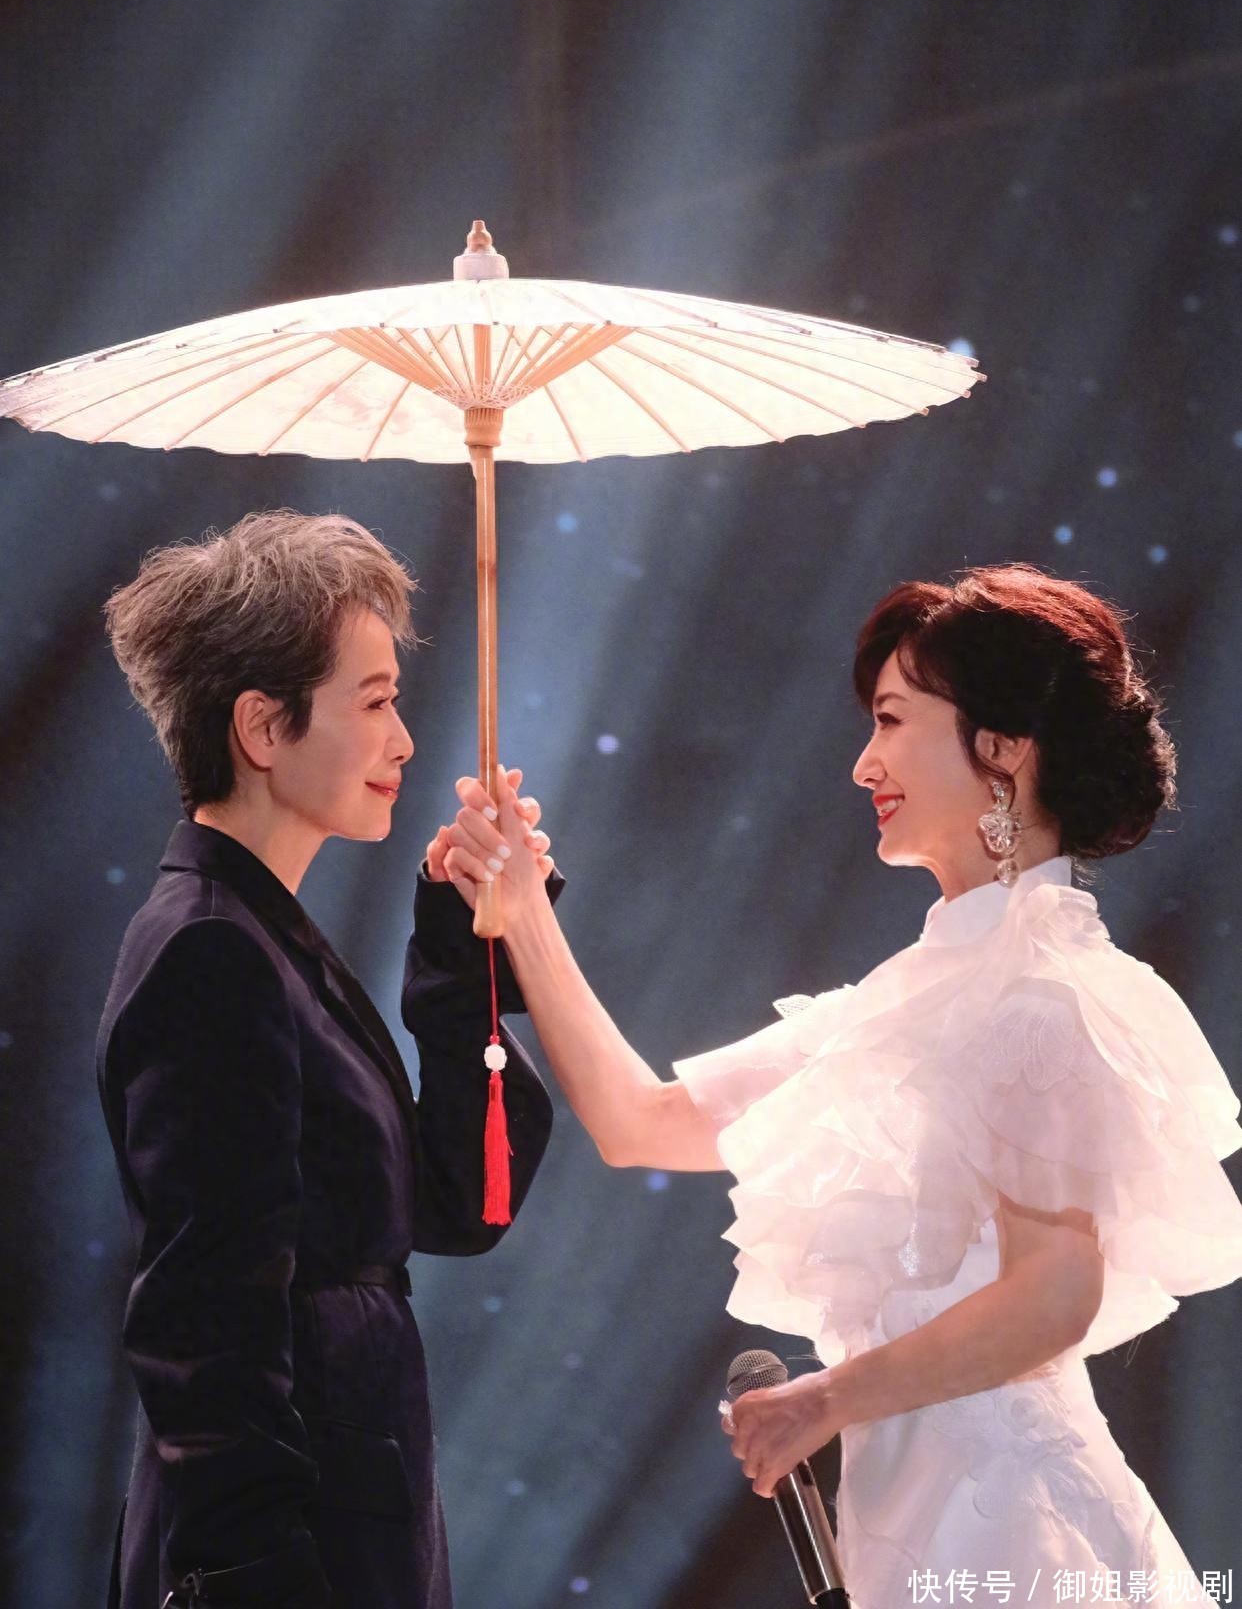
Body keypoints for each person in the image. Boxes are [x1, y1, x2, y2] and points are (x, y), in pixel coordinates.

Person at [434, 565, 1242, 1607]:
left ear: (1003, 747)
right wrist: (524, 911)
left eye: (893, 721)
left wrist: (824, 1400)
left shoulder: (1043, 990)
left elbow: (1053, 1292)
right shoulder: (910, 997)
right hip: (915, 1511)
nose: (864, 764)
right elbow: (642, 1123)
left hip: (1009, 1524)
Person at [96, 509, 558, 1609]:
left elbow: (459, 1203)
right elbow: (204, 1319)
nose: (405, 742)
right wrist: (259, 1575)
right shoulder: (211, 951)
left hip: (355, 1502)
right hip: (288, 1545)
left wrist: (463, 943)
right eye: (376, 701)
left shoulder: (265, 938)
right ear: (263, 727)